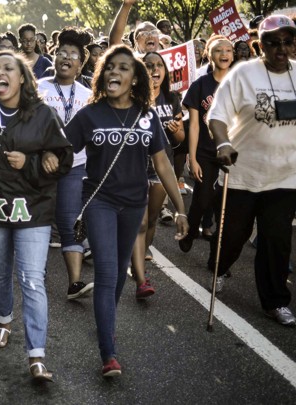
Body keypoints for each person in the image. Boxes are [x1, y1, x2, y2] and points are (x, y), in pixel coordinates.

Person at [64, 45, 187, 377]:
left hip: (135, 204)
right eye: (109, 67)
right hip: (100, 201)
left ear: (135, 79)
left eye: (123, 68)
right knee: (106, 273)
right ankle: (108, 352)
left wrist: (180, 209)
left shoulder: (146, 115)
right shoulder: (89, 114)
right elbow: (62, 149)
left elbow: (162, 162)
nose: (114, 72)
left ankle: (107, 323)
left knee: (118, 273)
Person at [0, 50, 73, 382]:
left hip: (34, 207)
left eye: (8, 68)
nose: (1, 73)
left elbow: (63, 157)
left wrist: (34, 162)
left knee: (31, 278)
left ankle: (37, 355)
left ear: (23, 79)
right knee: (0, 270)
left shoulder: (43, 114)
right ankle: (3, 321)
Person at [207, 15, 296, 326]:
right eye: (273, 42)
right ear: (261, 45)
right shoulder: (243, 75)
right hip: (241, 173)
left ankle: (275, 302)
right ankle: (219, 267)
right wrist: (222, 145)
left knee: (276, 239)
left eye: (288, 41)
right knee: (233, 235)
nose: (282, 48)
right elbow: (216, 117)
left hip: (285, 177)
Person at [37, 28, 95, 300]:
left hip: (75, 166)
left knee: (70, 221)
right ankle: (35, 277)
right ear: (53, 56)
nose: (66, 58)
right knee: (37, 222)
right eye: (62, 52)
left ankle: (75, 283)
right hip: (40, 167)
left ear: (81, 63)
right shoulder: (38, 87)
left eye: (73, 54)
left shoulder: (88, 94)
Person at [128, 51, 185, 298]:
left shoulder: (172, 98)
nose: (154, 69)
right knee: (139, 223)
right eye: (148, 65)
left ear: (165, 70)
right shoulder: (133, 98)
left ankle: (142, 250)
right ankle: (140, 276)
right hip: (137, 168)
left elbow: (180, 140)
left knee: (151, 221)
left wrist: (176, 130)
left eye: (159, 65)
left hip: (161, 168)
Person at [179, 36, 233, 253]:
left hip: (231, 153)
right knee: (202, 200)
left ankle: (218, 258)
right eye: (219, 50)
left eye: (228, 50)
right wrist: (192, 158)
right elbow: (193, 126)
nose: (224, 54)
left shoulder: (239, 83)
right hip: (204, 151)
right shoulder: (200, 85)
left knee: (225, 208)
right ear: (209, 55)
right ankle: (191, 231)